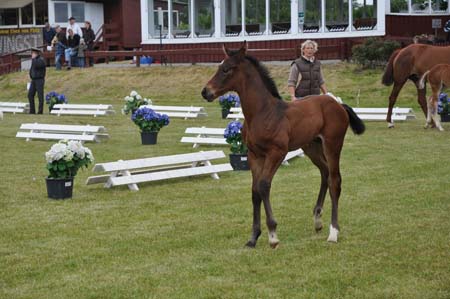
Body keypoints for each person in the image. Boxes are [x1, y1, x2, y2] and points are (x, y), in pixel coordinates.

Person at [28, 48, 46, 114]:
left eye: (32, 53)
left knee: (40, 95)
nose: (31, 55)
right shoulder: (34, 60)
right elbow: (32, 68)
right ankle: (32, 110)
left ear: (36, 53)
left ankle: (40, 111)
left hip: (39, 80)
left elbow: (37, 66)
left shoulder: (41, 60)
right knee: (30, 95)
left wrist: (34, 59)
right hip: (33, 80)